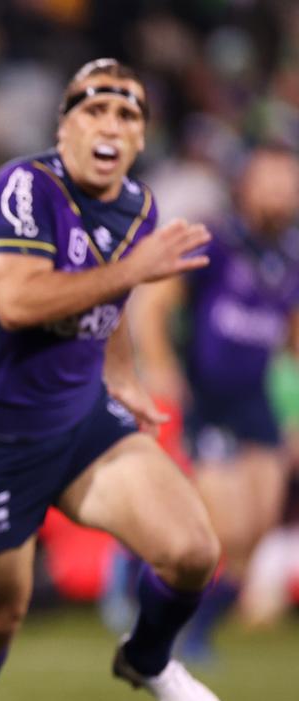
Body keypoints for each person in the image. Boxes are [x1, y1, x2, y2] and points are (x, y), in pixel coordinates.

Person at [0, 58, 228, 701]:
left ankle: (148, 659)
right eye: (94, 110)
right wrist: (132, 269)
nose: (110, 126)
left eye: (128, 115)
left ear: (142, 139)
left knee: (193, 553)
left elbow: (112, 301)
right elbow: (16, 300)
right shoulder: (23, 188)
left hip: (81, 425)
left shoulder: (138, 207)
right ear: (64, 127)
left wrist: (121, 376)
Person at [129, 145, 299, 660]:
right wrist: (160, 366)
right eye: (270, 179)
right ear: (244, 184)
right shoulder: (216, 241)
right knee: (224, 529)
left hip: (257, 402)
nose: (281, 190)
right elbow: (155, 304)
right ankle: (152, 608)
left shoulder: (289, 255)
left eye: (288, 181)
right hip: (210, 399)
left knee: (258, 530)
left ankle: (195, 631)